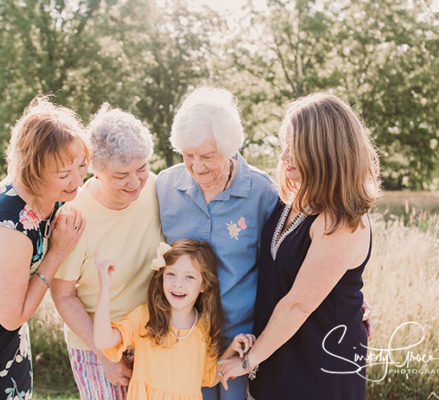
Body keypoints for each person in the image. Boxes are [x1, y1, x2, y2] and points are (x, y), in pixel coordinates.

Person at [219, 93, 381, 399]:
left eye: (295, 148)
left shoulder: (342, 219)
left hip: (320, 364)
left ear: (324, 150)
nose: (283, 157)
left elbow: (298, 304)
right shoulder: (294, 198)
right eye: (284, 145)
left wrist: (248, 362)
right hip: (279, 352)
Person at [0, 97, 88, 399]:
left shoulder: (46, 193)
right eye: (64, 174)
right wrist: (57, 253)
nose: (77, 181)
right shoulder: (11, 227)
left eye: (82, 165)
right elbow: (12, 315)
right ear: (34, 170)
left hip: (6, 338)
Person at [156, 87, 278, 400]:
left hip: (241, 339)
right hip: (185, 336)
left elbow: (288, 260)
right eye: (188, 156)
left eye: (207, 157)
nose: (196, 168)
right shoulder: (165, 186)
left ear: (230, 149)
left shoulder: (263, 193)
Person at [51, 105, 162, 400]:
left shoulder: (156, 189)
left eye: (141, 169)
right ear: (95, 170)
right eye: (121, 175)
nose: (135, 182)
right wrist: (106, 355)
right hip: (95, 344)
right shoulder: (75, 217)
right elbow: (63, 295)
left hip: (149, 338)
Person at [93, 239, 256, 400]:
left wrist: (232, 349)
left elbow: (210, 378)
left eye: (189, 277)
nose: (178, 283)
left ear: (203, 285)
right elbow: (104, 342)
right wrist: (105, 289)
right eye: (171, 274)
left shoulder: (204, 329)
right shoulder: (146, 317)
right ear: (162, 277)